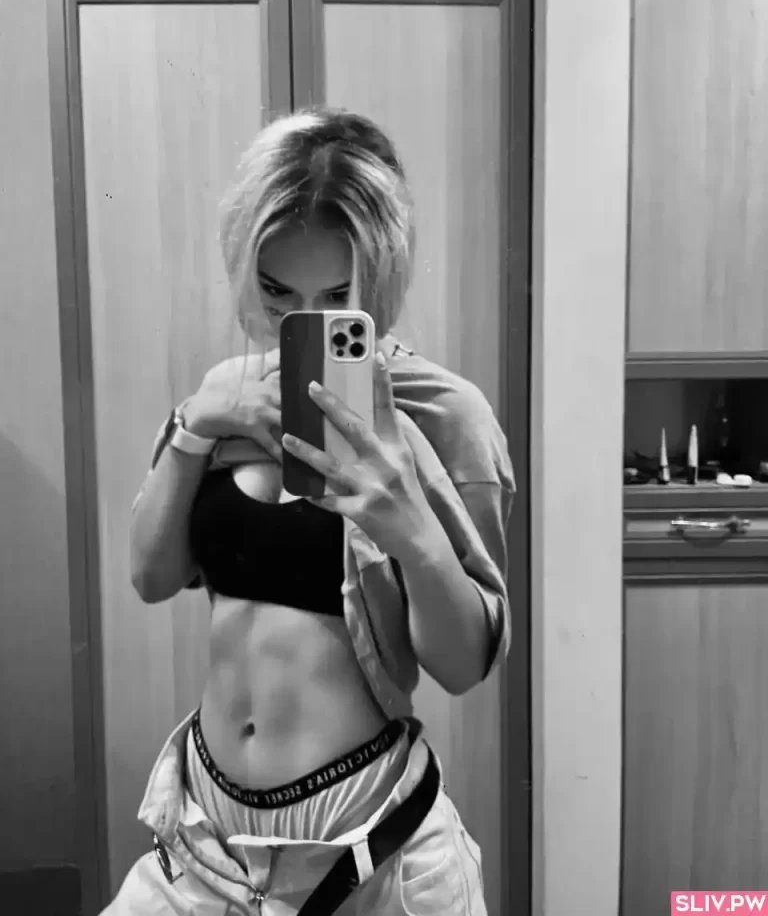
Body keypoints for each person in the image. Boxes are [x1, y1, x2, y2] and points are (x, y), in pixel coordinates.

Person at [102, 107, 515, 916]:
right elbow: (151, 577)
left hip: (371, 851)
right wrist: (196, 426)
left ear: (380, 279)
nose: (300, 321)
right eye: (276, 291)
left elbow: (464, 665)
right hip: (204, 840)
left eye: (335, 295)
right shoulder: (228, 390)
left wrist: (409, 525)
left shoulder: (444, 416)